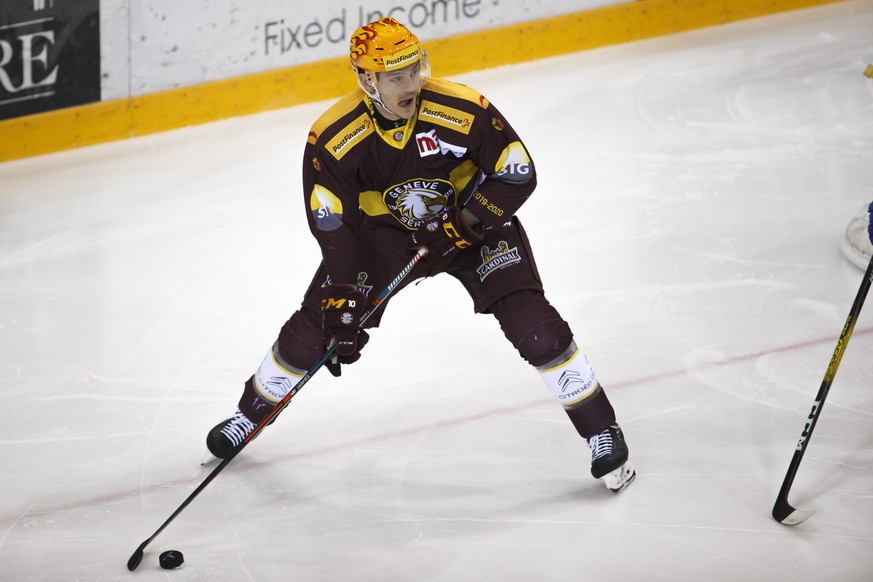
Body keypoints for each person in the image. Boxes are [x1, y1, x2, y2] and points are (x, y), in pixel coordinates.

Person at [205, 17, 635, 492]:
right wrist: (344, 296)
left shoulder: (461, 109)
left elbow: (517, 171)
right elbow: (334, 225)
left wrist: (467, 222)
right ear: (367, 80)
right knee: (314, 333)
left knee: (535, 329)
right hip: (385, 240)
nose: (411, 84)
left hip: (473, 226)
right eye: (396, 77)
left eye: (415, 70)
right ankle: (248, 416)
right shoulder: (333, 138)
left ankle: (602, 430)